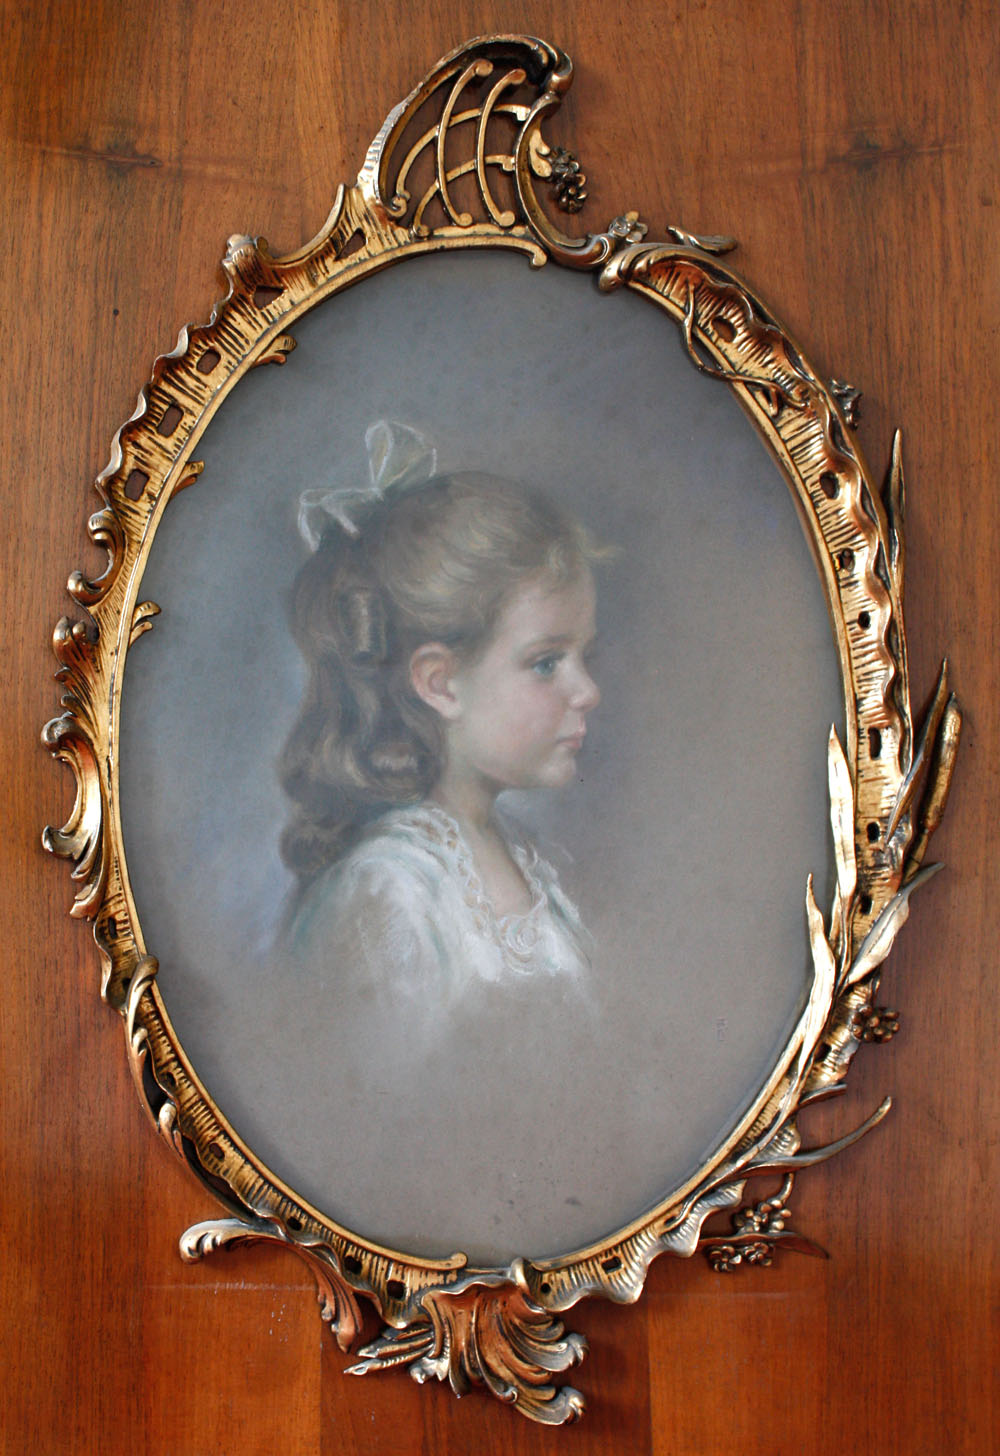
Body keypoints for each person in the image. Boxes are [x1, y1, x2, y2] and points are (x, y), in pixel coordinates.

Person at [280, 421, 602, 1020]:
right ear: (440, 683)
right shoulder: (387, 895)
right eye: (546, 662)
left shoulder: (524, 859)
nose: (587, 691)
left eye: (584, 657)